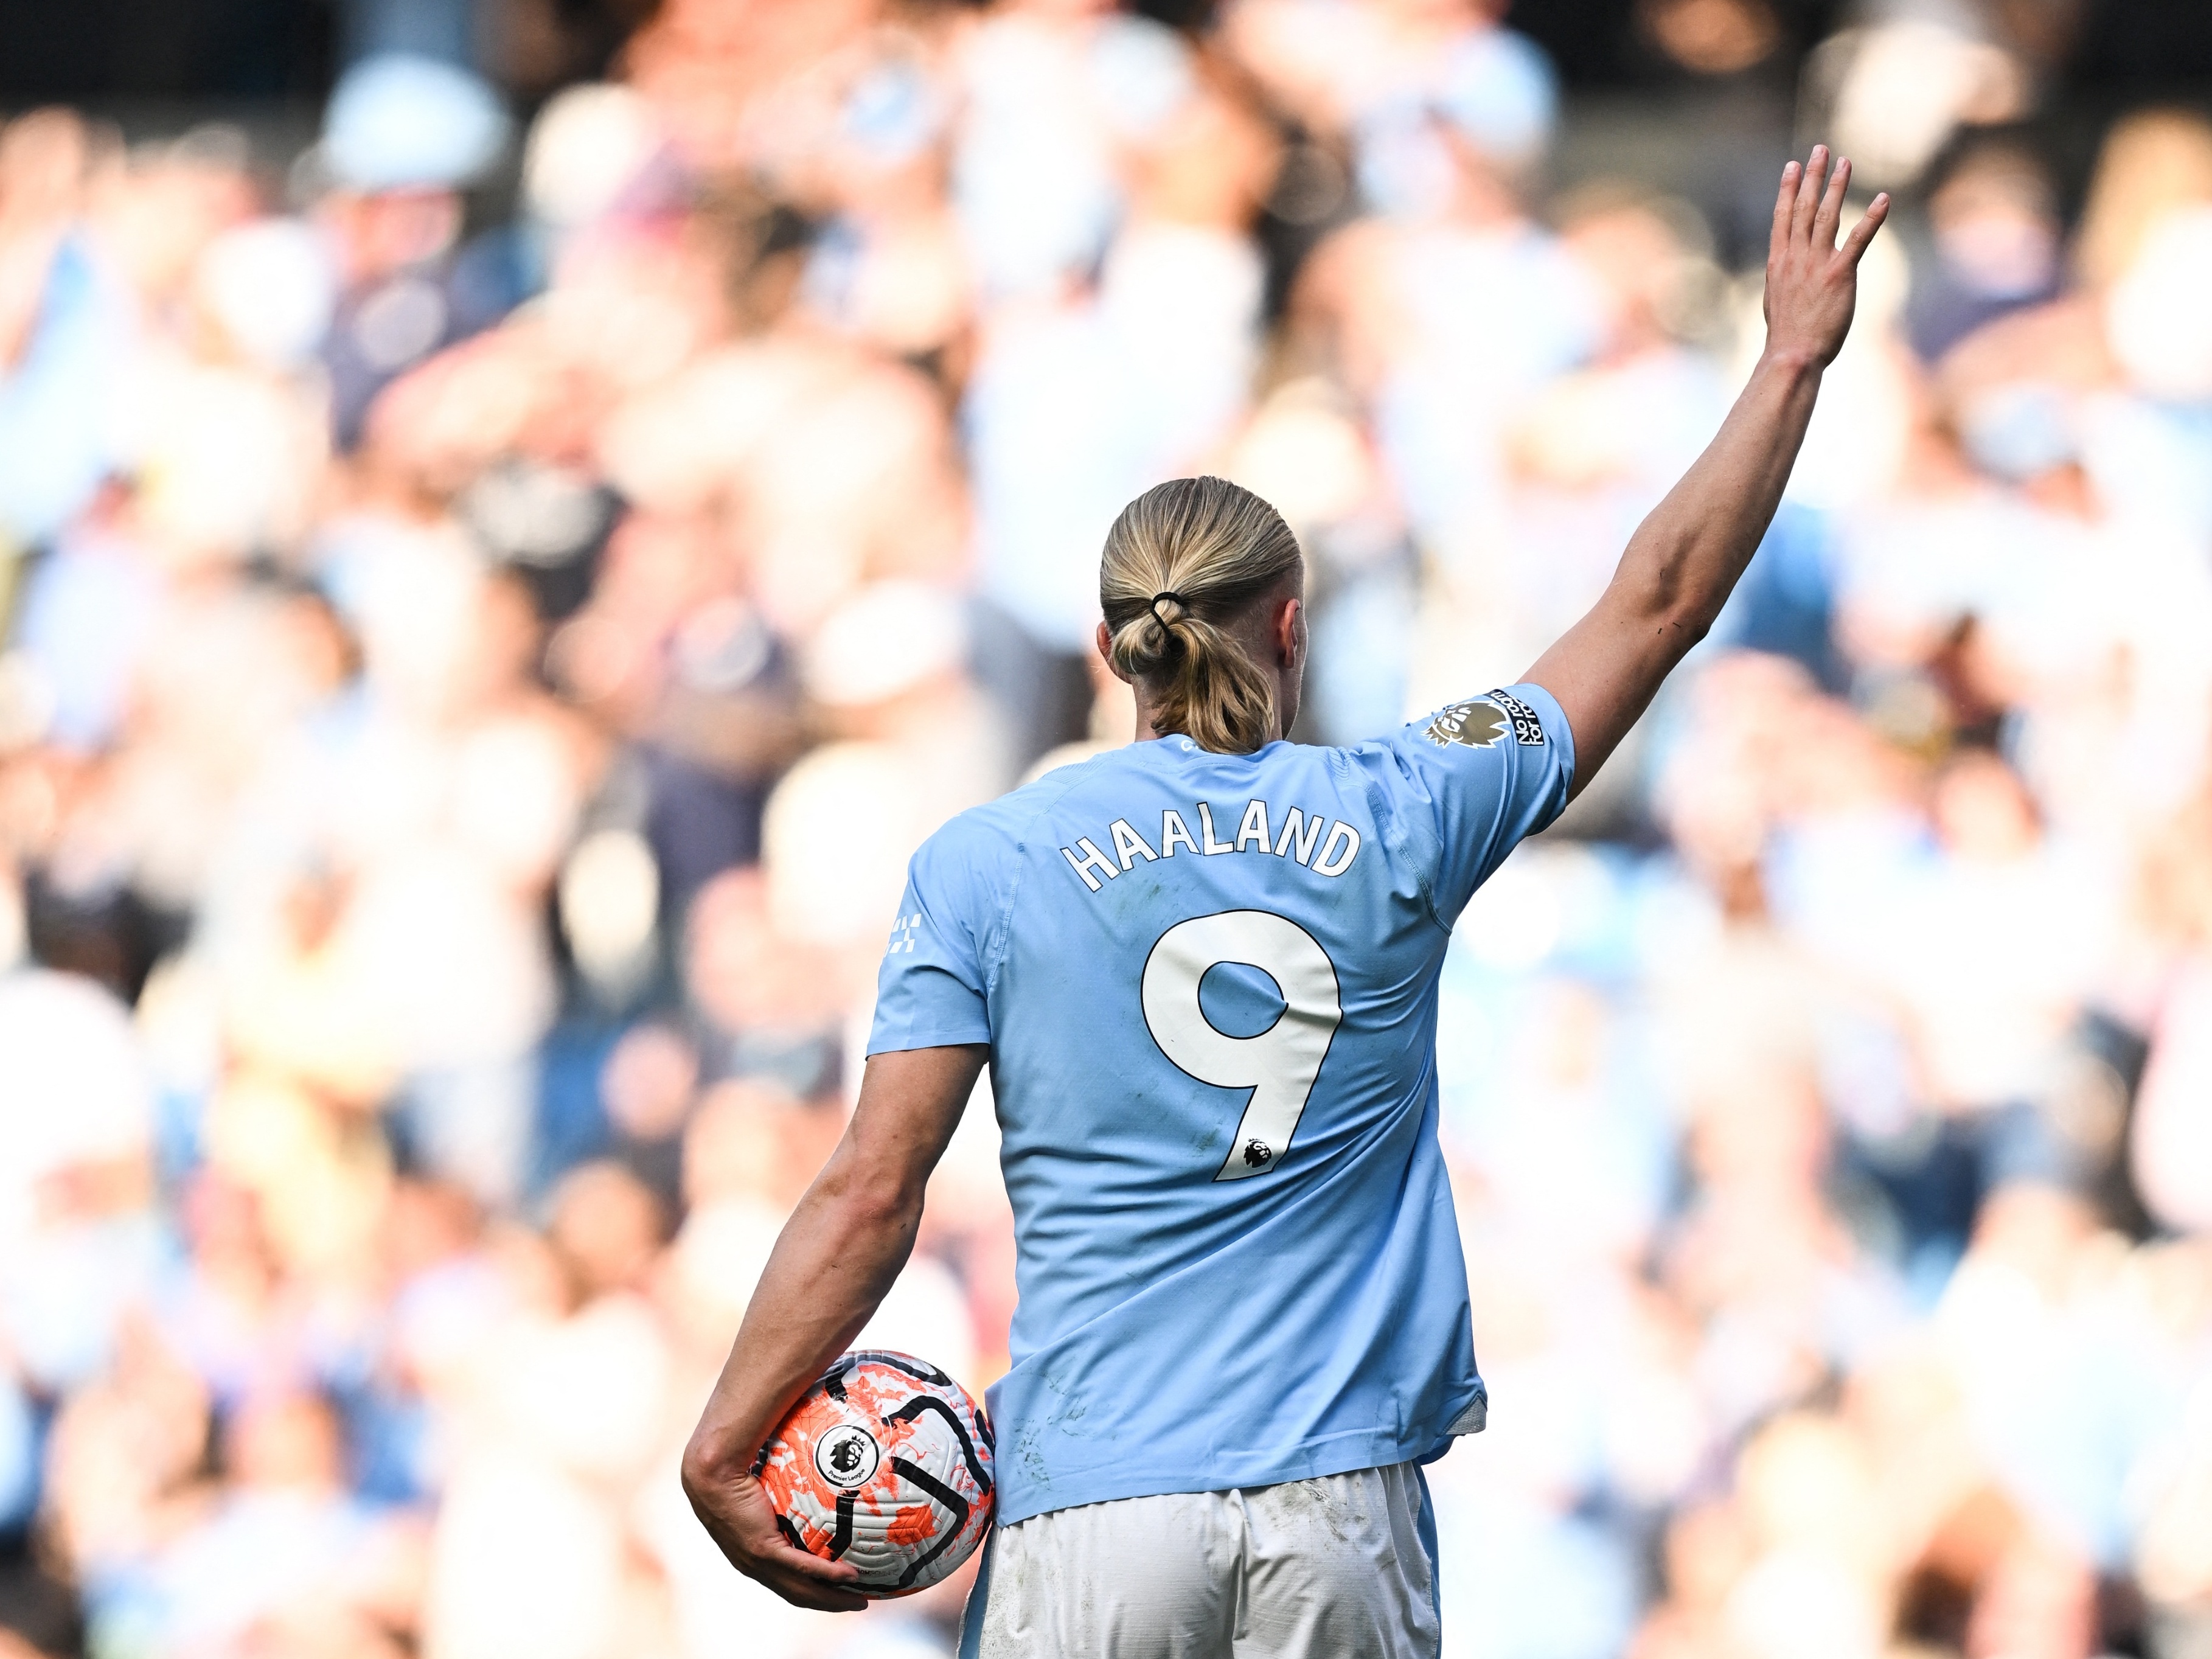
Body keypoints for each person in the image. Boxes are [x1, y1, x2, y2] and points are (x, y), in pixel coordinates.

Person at [681, 148, 1888, 1657]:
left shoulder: (984, 863)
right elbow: (1655, 599)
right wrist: (1785, 361)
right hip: (1340, 1506)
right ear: (1294, 622)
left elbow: (873, 1188)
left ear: (1113, 646)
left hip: (1093, 1507)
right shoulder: (1407, 806)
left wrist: (723, 1442)